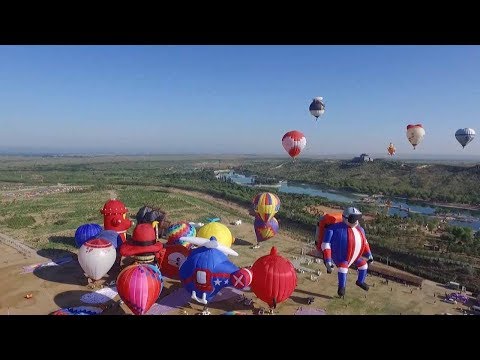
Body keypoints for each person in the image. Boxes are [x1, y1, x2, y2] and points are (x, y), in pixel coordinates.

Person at [321, 207, 373, 297]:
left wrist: (369, 255)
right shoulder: (332, 229)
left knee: (364, 265)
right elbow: (326, 245)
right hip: (341, 258)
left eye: (358, 218)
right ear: (346, 218)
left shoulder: (360, 230)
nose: (356, 221)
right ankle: (341, 287)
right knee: (343, 269)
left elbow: (365, 243)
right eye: (354, 219)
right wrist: (328, 260)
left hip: (355, 257)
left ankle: (360, 281)